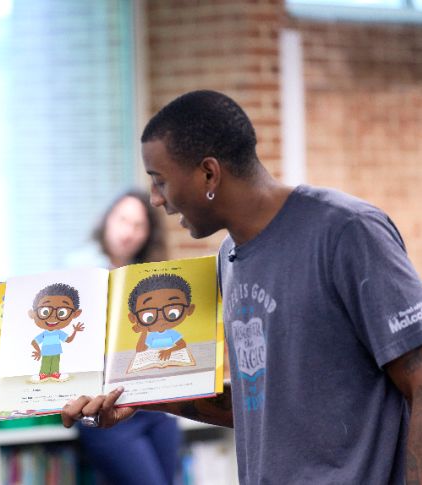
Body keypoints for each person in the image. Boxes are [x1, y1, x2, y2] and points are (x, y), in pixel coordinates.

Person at [61, 91, 422, 484]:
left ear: (209, 174)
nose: (157, 199)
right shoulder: (230, 256)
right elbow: (263, 406)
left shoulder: (347, 231)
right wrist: (142, 395)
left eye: (160, 180)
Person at [66, 189, 181, 485]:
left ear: (148, 234)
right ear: (107, 220)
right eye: (123, 220)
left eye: (138, 225)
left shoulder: (150, 277)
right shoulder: (77, 269)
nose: (128, 232)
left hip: (153, 404)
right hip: (104, 407)